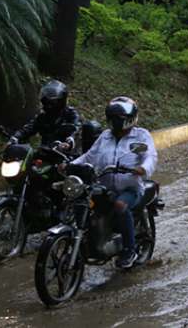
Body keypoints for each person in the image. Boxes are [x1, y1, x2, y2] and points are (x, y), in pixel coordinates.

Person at [69, 97, 158, 268]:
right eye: (113, 118)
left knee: (120, 205)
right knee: (82, 201)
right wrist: (71, 165)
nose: (116, 122)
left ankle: (129, 250)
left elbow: (150, 156)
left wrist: (142, 169)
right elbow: (90, 156)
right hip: (104, 185)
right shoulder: (105, 136)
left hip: (130, 188)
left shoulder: (140, 136)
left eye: (119, 119)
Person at [8, 80, 80, 151]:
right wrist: (16, 137)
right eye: (46, 99)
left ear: (60, 101)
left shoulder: (71, 114)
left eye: (51, 101)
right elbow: (30, 127)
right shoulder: (44, 116)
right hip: (44, 152)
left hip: (65, 156)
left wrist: (69, 141)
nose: (47, 103)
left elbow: (76, 128)